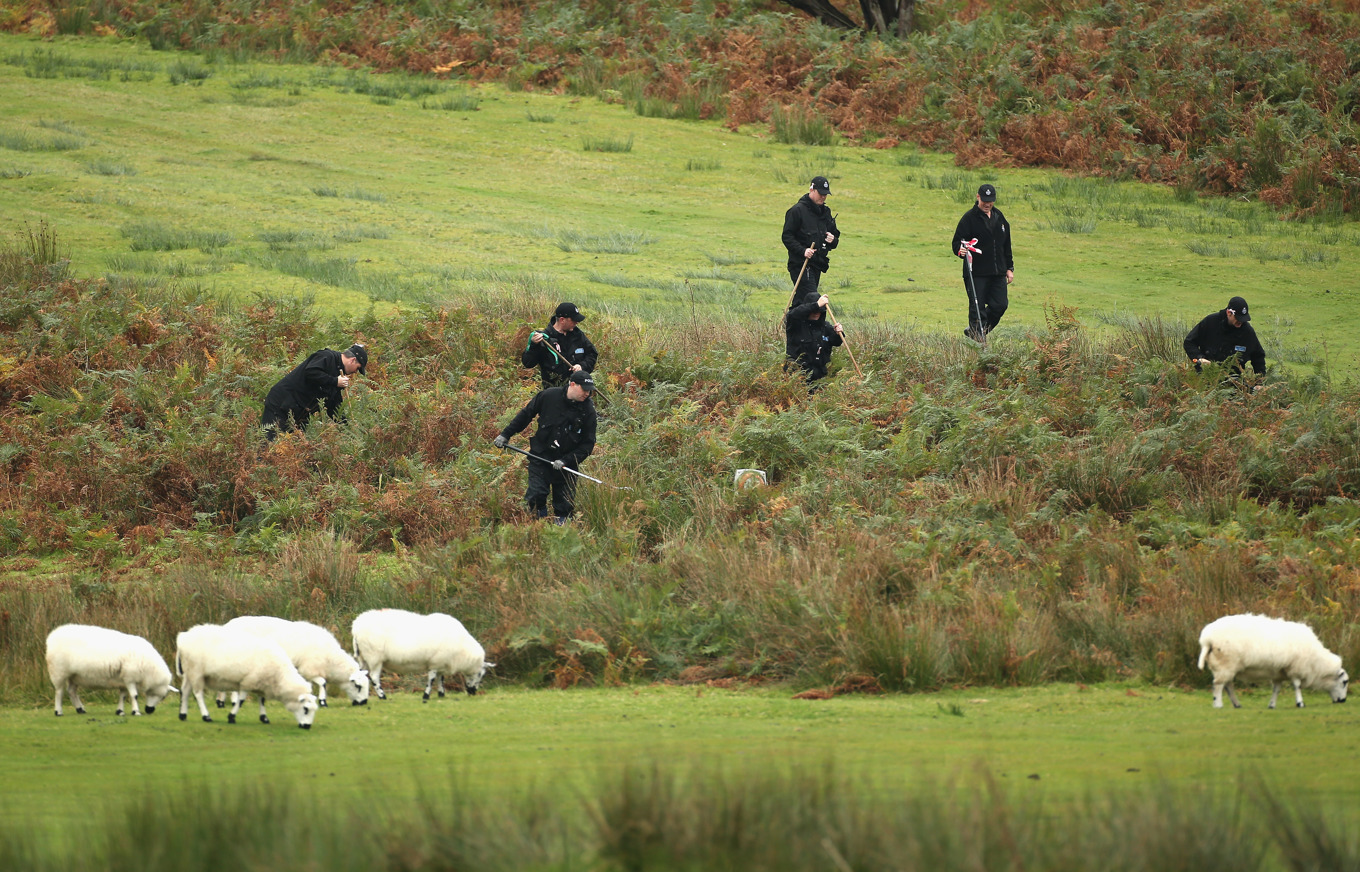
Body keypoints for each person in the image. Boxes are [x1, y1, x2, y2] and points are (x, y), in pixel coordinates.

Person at [493, 369, 598, 523]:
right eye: (584, 390)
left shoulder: (588, 411)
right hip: (540, 455)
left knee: (564, 503)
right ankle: (539, 523)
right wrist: (505, 434)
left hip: (566, 463)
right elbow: (526, 414)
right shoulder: (549, 396)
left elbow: (588, 444)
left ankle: (560, 530)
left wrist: (566, 461)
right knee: (535, 496)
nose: (587, 394)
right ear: (572, 384)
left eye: (590, 392)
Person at [950, 183, 1014, 341]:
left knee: (1000, 305)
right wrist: (960, 250)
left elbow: (1006, 245)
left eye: (990, 200)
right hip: (976, 272)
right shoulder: (968, 219)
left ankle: (977, 331)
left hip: (998, 271)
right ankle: (978, 340)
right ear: (978, 197)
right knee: (976, 308)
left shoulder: (1000, 218)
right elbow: (957, 242)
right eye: (984, 200)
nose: (987, 204)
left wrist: (1009, 267)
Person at [261, 343, 367, 439]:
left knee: (295, 450)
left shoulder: (339, 375)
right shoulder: (327, 356)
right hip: (280, 404)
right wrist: (334, 381)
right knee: (269, 445)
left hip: (298, 414)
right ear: (353, 360)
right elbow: (311, 372)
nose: (355, 372)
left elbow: (333, 406)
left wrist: (348, 429)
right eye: (357, 368)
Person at [782, 176, 840, 302]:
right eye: (820, 193)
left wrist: (832, 239)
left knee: (803, 300)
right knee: (813, 298)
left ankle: (792, 320)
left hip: (817, 263)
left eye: (825, 194)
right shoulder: (796, 211)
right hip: (800, 263)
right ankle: (804, 320)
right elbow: (787, 236)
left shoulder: (825, 212)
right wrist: (803, 251)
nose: (823, 197)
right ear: (811, 190)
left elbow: (835, 237)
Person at [1184, 295, 1265, 378]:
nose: (1241, 322)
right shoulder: (1210, 322)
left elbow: (1258, 356)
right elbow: (1189, 342)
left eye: (1243, 319)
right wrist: (1199, 358)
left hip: (1234, 384)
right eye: (1238, 318)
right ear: (1229, 313)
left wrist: (1259, 381)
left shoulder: (1247, 331)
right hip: (1206, 379)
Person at [522, 302, 597, 389]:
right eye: (573, 320)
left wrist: (582, 366)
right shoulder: (543, 339)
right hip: (553, 391)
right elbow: (528, 363)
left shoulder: (578, 335)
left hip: (577, 390)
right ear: (562, 320)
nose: (577, 322)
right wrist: (533, 345)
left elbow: (592, 354)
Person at [785, 292, 844, 387]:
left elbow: (836, 342)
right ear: (807, 309)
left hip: (819, 377)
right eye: (814, 310)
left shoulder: (826, 327)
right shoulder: (795, 325)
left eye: (820, 310)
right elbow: (792, 314)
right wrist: (816, 305)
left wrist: (838, 333)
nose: (817, 313)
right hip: (797, 377)